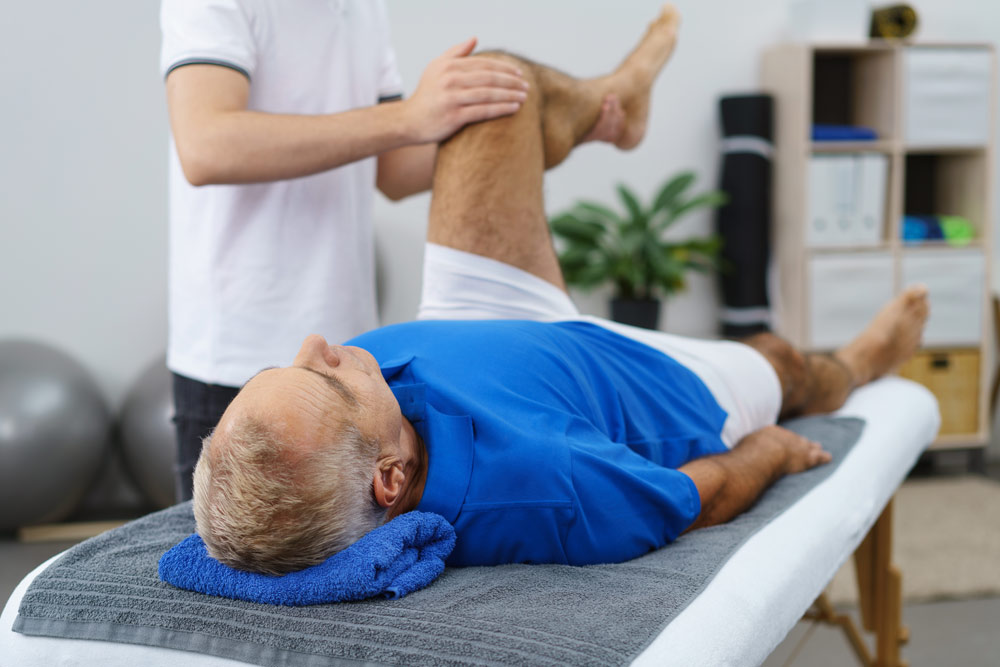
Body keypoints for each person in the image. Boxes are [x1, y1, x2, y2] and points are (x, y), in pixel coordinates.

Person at [191, 5, 930, 574]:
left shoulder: (370, 412)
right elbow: (696, 497)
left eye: (289, 366)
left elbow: (392, 177)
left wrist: (426, 123)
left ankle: (612, 102)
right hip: (645, 385)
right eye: (327, 379)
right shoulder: (550, 483)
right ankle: (864, 360)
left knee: (493, 88)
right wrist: (768, 451)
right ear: (391, 479)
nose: (319, 344)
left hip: (480, 320)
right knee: (781, 360)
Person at [159, 0, 628, 502]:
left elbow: (396, 168)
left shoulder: (361, 8)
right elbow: (208, 144)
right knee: (241, 566)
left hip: (350, 359)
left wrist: (537, 132)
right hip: (238, 362)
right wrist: (410, 116)